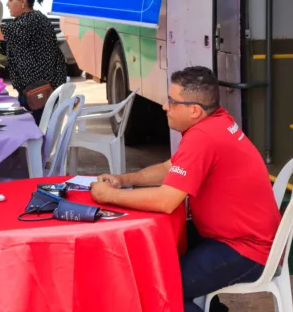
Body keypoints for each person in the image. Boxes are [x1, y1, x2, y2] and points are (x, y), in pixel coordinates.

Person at [90, 66, 281, 312]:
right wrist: (125, 180)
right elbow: (172, 167)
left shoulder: (203, 137)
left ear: (194, 110)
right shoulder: (216, 120)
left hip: (247, 250)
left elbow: (167, 200)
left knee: (158, 290)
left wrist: (109, 196)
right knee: (154, 256)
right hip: (233, 237)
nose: (165, 107)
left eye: (172, 101)